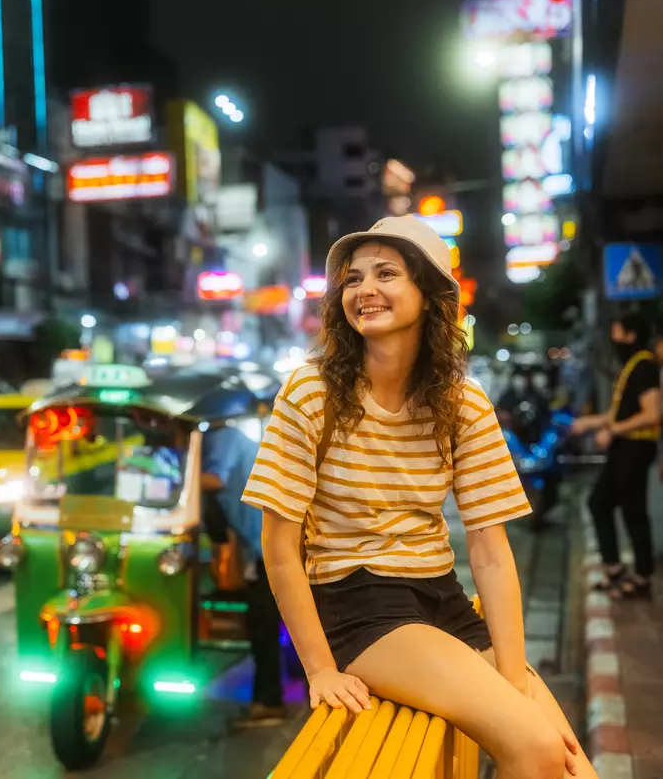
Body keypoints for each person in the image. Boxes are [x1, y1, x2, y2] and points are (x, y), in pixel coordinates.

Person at [242, 216, 591, 778]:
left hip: (442, 597)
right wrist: (320, 670)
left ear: (430, 295)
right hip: (359, 602)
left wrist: (514, 674)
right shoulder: (311, 390)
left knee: (573, 763)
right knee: (535, 747)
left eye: (386, 274)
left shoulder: (462, 401)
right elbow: (280, 547)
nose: (365, 290)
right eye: (353, 279)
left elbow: (491, 551)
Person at [200, 421, 286, 727]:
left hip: (267, 545)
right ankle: (267, 700)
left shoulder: (223, 438)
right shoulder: (224, 437)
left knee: (263, 627)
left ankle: (270, 704)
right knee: (262, 625)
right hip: (260, 544)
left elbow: (214, 480)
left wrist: (170, 475)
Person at [572, 314, 660, 600]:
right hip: (624, 448)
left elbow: (653, 414)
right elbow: (621, 413)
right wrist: (593, 423)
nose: (614, 339)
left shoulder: (644, 366)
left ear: (631, 335)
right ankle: (613, 567)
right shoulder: (632, 366)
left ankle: (643, 576)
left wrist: (613, 431)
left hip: (636, 449)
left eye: (617, 332)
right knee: (599, 502)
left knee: (634, 512)